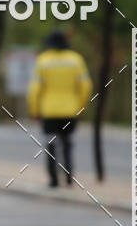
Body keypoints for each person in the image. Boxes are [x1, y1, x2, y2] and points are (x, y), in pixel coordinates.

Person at [27, 30, 92, 187]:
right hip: (71, 110)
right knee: (67, 142)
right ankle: (69, 177)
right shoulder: (76, 60)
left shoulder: (43, 61)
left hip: (49, 111)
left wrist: (34, 110)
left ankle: (54, 180)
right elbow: (86, 85)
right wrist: (82, 106)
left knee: (51, 144)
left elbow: (35, 89)